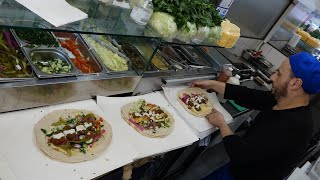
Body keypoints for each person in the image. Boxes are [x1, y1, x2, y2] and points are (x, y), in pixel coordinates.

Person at [192, 52, 320, 180]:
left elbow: (242, 154)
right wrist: (213, 84)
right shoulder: (286, 100)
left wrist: (222, 124)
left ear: (295, 84)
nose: (272, 77)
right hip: (240, 167)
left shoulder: (295, 126)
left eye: (279, 73)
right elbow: (251, 96)